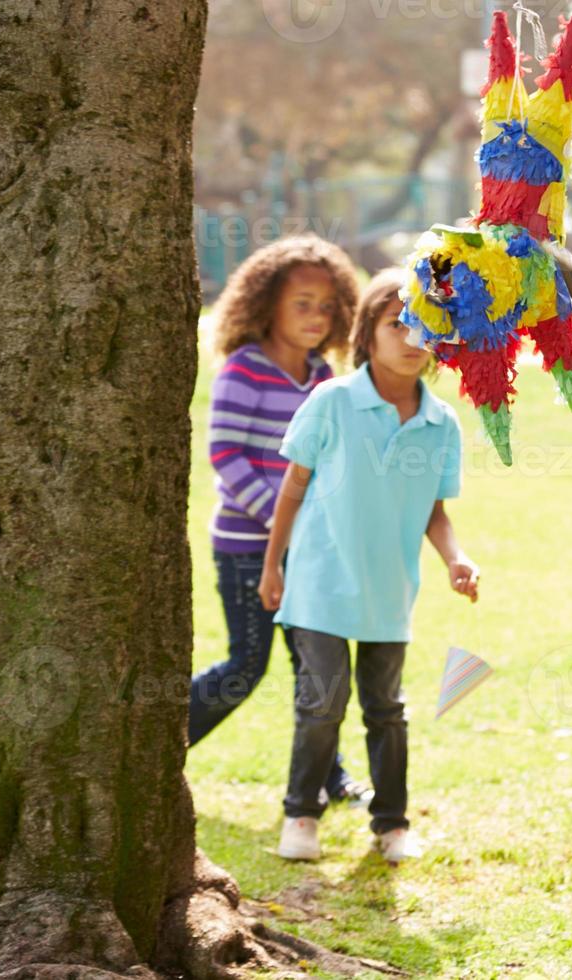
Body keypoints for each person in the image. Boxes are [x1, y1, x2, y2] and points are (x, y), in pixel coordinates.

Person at [260, 268, 478, 865]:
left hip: (389, 589)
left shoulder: (442, 424)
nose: (412, 338)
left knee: (387, 710)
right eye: (397, 324)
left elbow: (435, 512)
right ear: (367, 333)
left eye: (428, 327)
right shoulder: (331, 402)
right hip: (320, 583)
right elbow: (292, 489)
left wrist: (456, 559)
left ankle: (392, 824)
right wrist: (272, 566)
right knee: (323, 702)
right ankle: (301, 813)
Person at [189, 235, 366, 803]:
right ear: (265, 305)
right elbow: (225, 455)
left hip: (312, 552)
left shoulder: (321, 378)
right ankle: (157, 746)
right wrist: (282, 519)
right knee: (246, 664)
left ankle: (326, 776)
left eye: (327, 306)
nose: (316, 317)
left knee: (317, 669)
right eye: (302, 303)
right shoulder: (244, 370)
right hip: (247, 548)